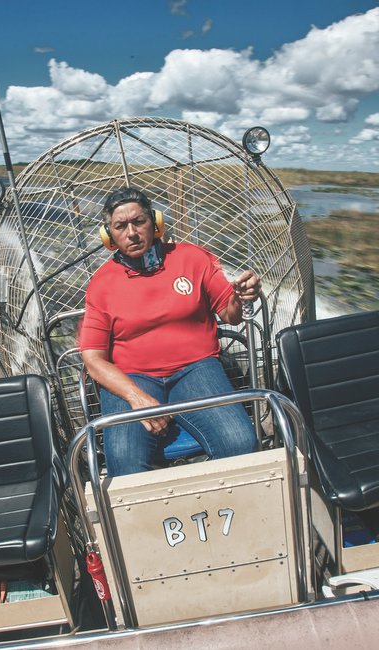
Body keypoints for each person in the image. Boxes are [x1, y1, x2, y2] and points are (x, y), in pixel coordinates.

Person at [78, 187, 261, 476]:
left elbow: (231, 315)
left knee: (240, 443)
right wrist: (137, 397)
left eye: (139, 222)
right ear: (109, 236)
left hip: (196, 369)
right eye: (120, 226)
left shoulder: (193, 258)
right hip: (132, 378)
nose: (132, 233)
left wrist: (241, 296)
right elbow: (93, 359)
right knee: (125, 465)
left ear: (156, 223)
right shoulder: (101, 284)